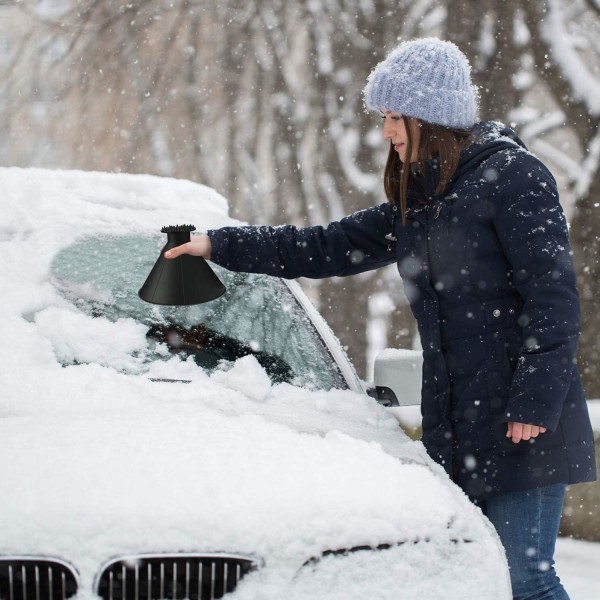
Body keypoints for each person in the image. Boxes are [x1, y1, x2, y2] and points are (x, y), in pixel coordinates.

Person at [164, 38, 596, 599]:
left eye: (395, 117)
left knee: (525, 580)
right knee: (478, 582)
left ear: (430, 116)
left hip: (523, 423)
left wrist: (533, 404)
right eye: (384, 117)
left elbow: (554, 299)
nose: (387, 131)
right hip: (461, 424)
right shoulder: (420, 199)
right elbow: (321, 246)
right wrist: (216, 244)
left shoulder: (514, 177)